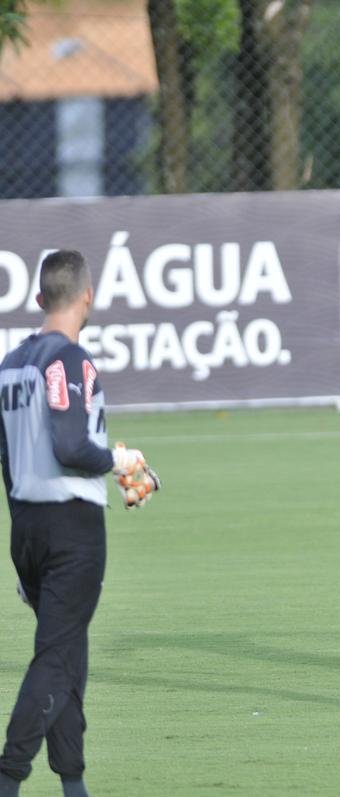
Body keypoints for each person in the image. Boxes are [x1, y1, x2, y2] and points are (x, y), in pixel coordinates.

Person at [0, 250, 157, 797]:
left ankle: (73, 783)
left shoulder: (10, 364)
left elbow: (7, 458)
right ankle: (8, 777)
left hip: (27, 523)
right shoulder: (70, 360)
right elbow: (71, 446)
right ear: (87, 297)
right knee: (56, 657)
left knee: (68, 652)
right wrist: (121, 460)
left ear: (40, 298)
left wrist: (23, 543)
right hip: (71, 527)